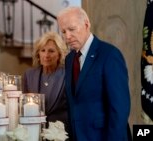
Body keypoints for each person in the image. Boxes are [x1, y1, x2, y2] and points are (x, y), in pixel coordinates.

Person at [57, 6, 132, 141]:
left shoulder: (110, 55)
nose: (67, 36)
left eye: (72, 29)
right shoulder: (69, 59)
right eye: (63, 31)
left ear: (86, 24)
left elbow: (119, 109)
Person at [22, 31, 69, 132]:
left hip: (60, 132)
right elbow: (23, 105)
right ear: (38, 53)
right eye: (43, 50)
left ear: (60, 54)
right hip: (34, 130)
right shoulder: (29, 75)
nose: (46, 55)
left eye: (51, 51)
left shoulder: (67, 75)